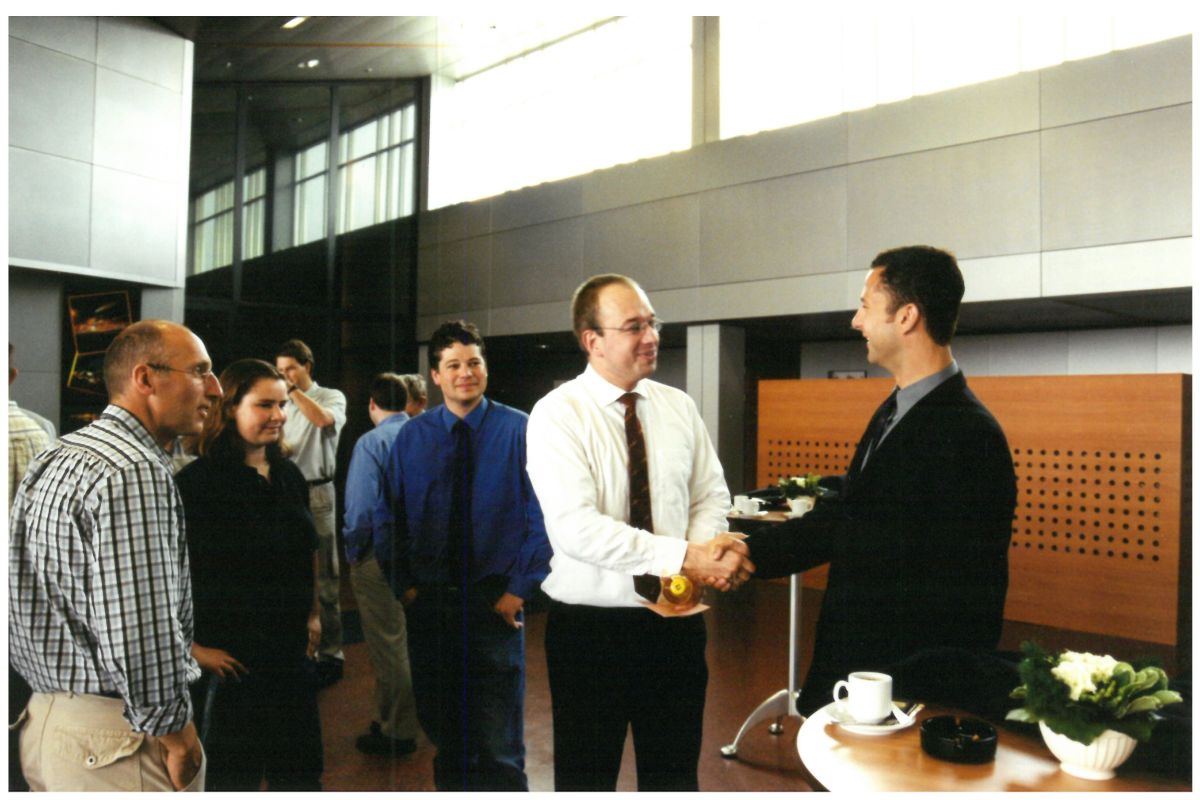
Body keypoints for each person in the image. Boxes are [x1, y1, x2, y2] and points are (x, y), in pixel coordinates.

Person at [736, 245, 1018, 716]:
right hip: (867, 674)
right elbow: (862, 505)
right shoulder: (898, 408)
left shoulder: (968, 433)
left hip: (903, 690)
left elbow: (962, 591)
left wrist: (745, 555)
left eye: (866, 305)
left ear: (906, 317)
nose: (856, 320)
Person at [525, 274, 753, 791]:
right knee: (586, 781)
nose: (651, 337)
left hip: (676, 625)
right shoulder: (557, 415)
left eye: (652, 323)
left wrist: (699, 559)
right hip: (591, 635)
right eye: (634, 327)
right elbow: (578, 530)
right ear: (593, 341)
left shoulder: (678, 407)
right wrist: (688, 556)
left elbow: (710, 494)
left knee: (673, 778)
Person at [9, 320, 217, 791]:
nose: (215, 389)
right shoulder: (134, 470)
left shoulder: (61, 451)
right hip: (117, 739)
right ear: (145, 378)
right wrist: (179, 737)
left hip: (47, 722)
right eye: (199, 371)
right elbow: (141, 629)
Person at [380, 320, 551, 791]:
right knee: (447, 738)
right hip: (431, 604)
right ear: (435, 375)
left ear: (485, 368)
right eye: (453, 365)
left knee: (500, 746)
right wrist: (405, 587)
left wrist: (519, 590)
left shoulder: (520, 430)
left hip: (494, 604)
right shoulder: (411, 437)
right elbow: (388, 516)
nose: (465, 373)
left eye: (474, 362)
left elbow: (543, 517)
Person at [176, 358, 324, 790]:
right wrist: (193, 649)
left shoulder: (289, 475)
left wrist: (313, 613)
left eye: (282, 405)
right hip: (232, 662)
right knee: (231, 778)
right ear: (229, 409)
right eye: (264, 405)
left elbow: (308, 550)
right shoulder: (197, 484)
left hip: (288, 655)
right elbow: (170, 577)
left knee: (299, 774)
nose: (278, 416)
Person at [343, 372, 419, 757]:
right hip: (422, 555)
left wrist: (354, 551)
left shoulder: (371, 443)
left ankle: (397, 730)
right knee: (413, 640)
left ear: (372, 405)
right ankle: (401, 716)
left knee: (387, 644)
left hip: (380, 555)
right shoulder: (426, 434)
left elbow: (361, 509)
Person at [276, 338, 348, 687]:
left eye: (290, 368)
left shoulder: (330, 396)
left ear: (307, 366)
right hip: (286, 489)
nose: (284, 375)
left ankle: (331, 654)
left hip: (318, 492)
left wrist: (292, 391)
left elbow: (321, 420)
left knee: (326, 579)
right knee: (290, 573)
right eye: (280, 370)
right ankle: (301, 651)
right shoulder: (281, 402)